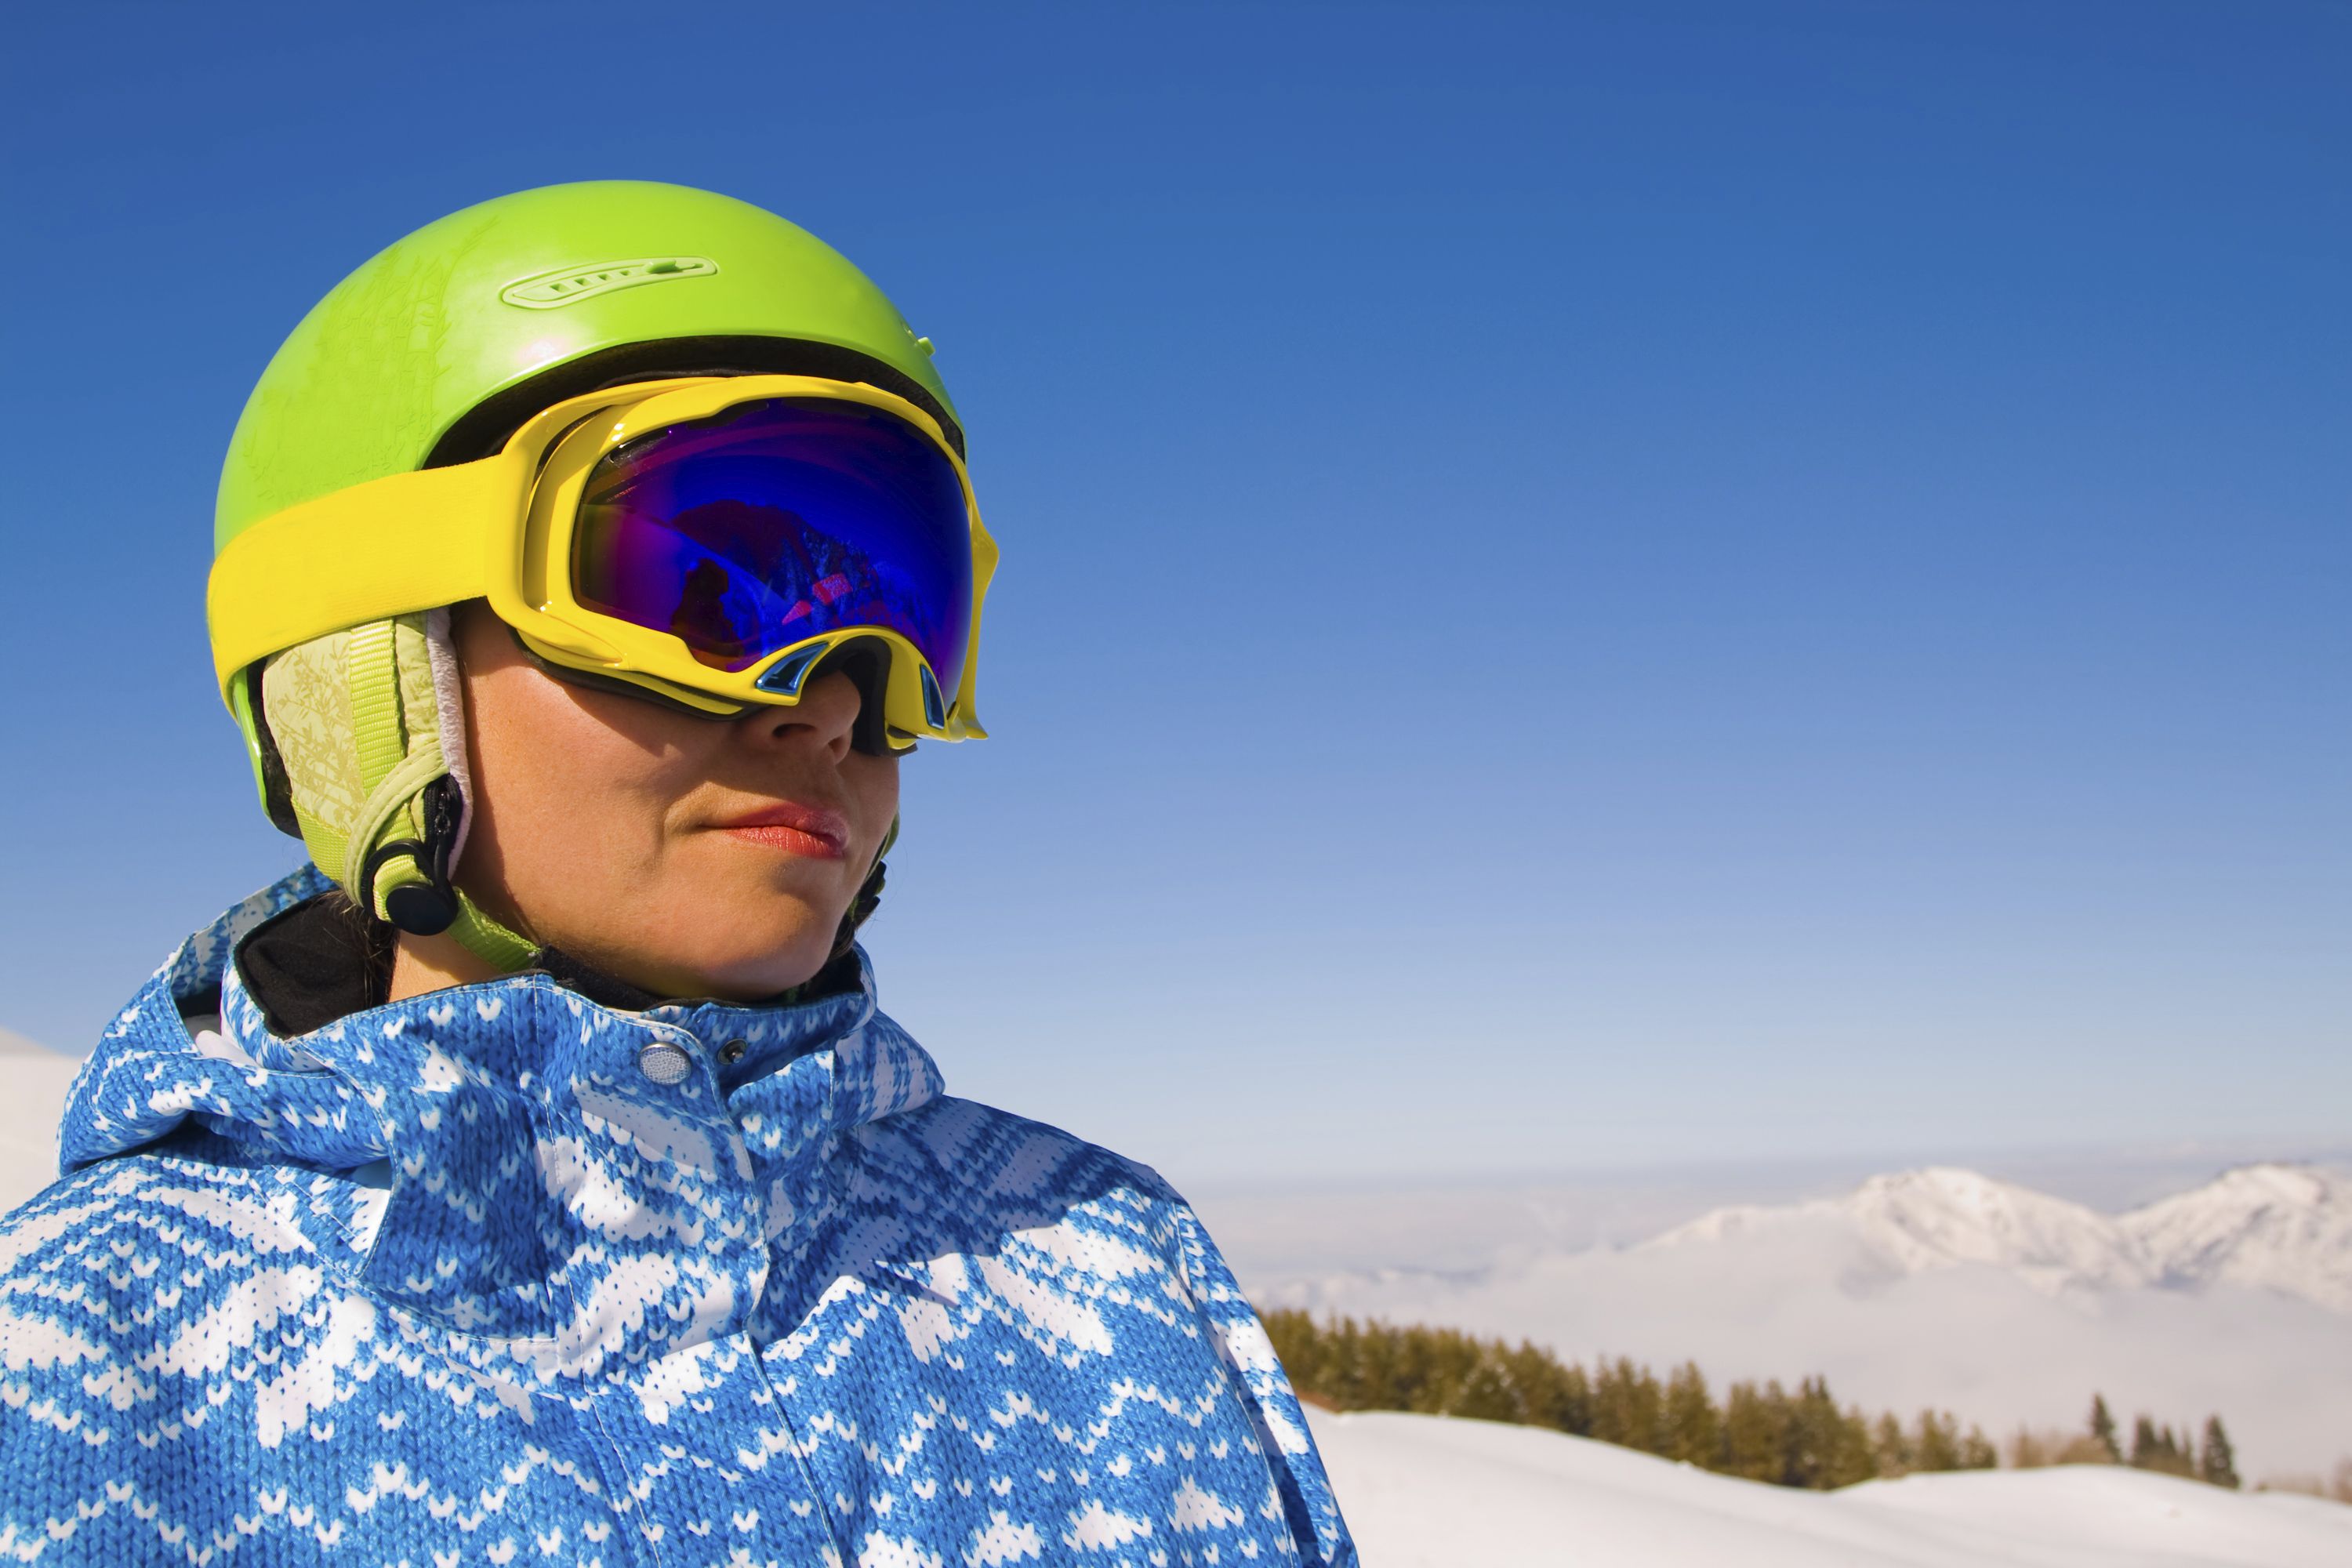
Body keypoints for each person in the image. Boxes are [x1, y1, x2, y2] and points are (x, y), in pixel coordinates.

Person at [0, 180, 1357, 1566]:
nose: (832, 703)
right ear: (367, 667)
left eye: (899, 617)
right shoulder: (66, 1375)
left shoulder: (1108, 1260)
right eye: (708, 590)